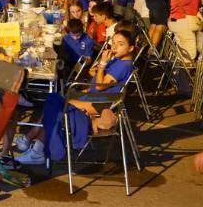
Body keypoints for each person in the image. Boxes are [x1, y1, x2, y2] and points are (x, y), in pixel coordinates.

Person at [15, 30, 136, 165]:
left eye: (120, 44)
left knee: (56, 106)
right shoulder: (117, 61)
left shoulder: (123, 66)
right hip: (92, 99)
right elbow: (94, 81)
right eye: (113, 43)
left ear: (131, 48)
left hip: (98, 106)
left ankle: (35, 146)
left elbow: (100, 86)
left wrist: (102, 64)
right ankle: (35, 145)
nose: (114, 47)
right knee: (54, 100)